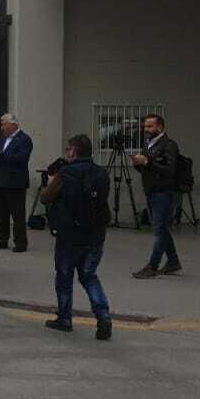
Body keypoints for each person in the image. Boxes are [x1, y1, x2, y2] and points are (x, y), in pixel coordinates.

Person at [39, 135, 115, 340]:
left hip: (70, 235)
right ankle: (103, 315)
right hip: (95, 234)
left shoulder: (66, 173)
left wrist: (48, 183)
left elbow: (46, 198)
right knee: (89, 276)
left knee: (64, 277)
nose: (66, 152)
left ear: (73, 151)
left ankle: (64, 318)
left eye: (68, 149)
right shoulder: (101, 173)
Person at [131, 113, 183, 278]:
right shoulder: (149, 144)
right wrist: (138, 164)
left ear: (160, 127)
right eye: (145, 126)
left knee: (159, 229)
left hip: (164, 192)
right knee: (161, 228)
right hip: (152, 191)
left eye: (150, 126)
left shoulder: (168, 145)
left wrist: (147, 162)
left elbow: (169, 170)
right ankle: (173, 261)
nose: (146, 129)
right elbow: (147, 170)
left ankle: (152, 266)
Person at [0, 113, 34, 253]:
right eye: (1, 125)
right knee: (1, 213)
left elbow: (21, 158)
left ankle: (20, 243)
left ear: (14, 125)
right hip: (0, 181)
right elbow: (2, 157)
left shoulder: (24, 139)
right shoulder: (3, 139)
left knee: (17, 214)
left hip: (15, 183)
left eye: (4, 124)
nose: (2, 128)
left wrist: (1, 155)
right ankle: (2, 239)